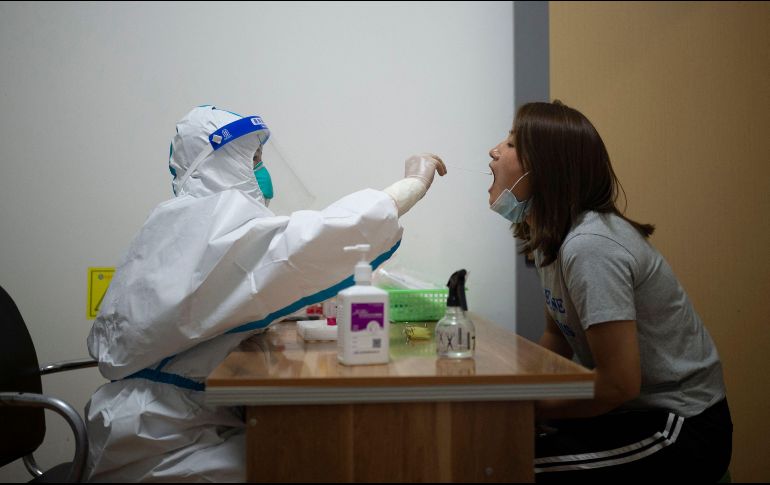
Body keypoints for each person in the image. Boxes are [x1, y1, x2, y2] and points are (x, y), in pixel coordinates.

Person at [85, 105, 446, 482]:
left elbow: (238, 296)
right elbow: (305, 244)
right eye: (252, 159)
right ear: (219, 161)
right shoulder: (205, 227)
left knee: (310, 452)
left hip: (176, 419)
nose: (262, 170)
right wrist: (411, 186)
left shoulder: (187, 220)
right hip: (158, 439)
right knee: (315, 462)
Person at [487, 100, 732, 482]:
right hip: (628, 413)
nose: (495, 151)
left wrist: (533, 408)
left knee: (501, 468)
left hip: (680, 424)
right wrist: (513, 394)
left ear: (547, 169)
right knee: (494, 443)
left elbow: (619, 382)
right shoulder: (551, 241)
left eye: (513, 144)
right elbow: (557, 337)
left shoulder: (590, 246)